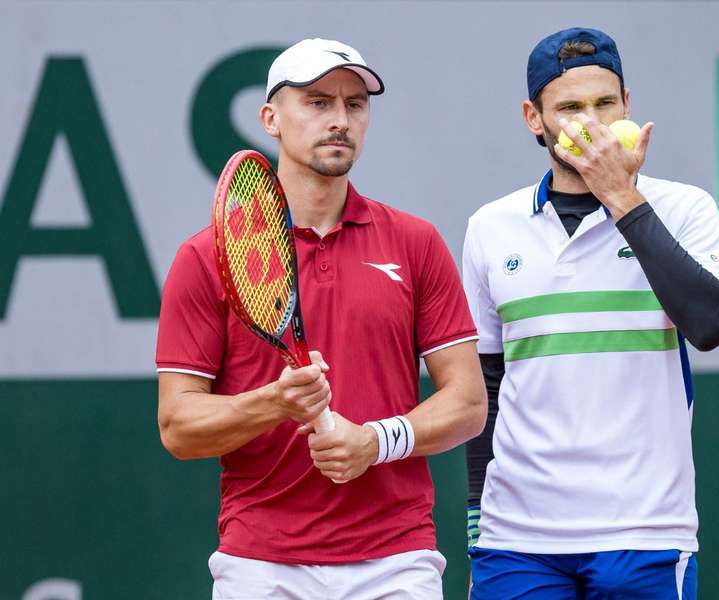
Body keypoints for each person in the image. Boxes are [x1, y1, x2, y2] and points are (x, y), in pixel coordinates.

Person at [156, 38, 486, 600]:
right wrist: (274, 403)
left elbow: (469, 404)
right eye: (317, 102)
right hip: (260, 563)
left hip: (396, 559)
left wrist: (377, 441)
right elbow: (178, 428)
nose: (339, 120)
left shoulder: (416, 243)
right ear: (270, 119)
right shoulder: (204, 256)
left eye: (354, 104)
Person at [463, 27, 719, 599]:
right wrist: (475, 520)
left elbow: (710, 326)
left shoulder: (685, 209)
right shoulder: (491, 226)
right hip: (516, 538)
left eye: (604, 103)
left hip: (647, 531)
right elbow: (486, 384)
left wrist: (623, 199)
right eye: (569, 108)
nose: (590, 122)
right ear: (533, 118)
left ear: (627, 106)